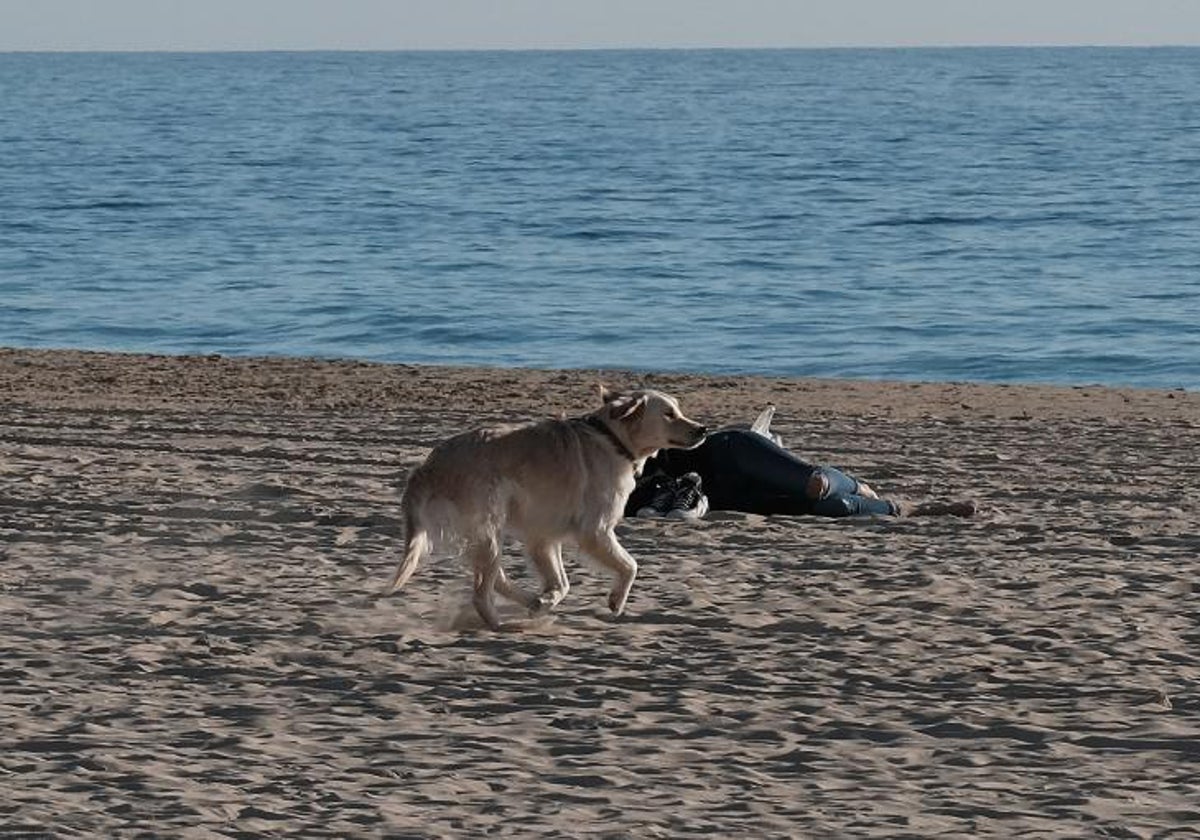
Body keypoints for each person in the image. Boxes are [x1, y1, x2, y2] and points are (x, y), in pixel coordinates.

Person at [626, 407, 976, 520]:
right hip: (723, 495)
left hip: (730, 452)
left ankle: (855, 483)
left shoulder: (623, 444)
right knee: (829, 507)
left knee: (816, 484)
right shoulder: (604, 491)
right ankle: (907, 510)